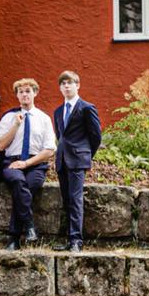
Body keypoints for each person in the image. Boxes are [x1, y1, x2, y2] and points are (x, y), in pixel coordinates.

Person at [0, 78, 56, 249]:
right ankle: (29, 227)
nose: (24, 94)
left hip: (35, 163)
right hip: (11, 162)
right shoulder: (9, 117)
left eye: (28, 91)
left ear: (35, 93)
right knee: (18, 182)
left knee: (26, 187)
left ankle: (14, 238)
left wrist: (27, 163)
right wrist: (15, 125)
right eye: (21, 92)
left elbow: (50, 150)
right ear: (17, 96)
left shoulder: (43, 119)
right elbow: (0, 145)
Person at [48, 70, 103, 251]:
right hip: (63, 160)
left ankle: (76, 241)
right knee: (67, 200)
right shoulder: (57, 111)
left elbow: (96, 136)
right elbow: (60, 136)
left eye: (69, 83)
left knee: (76, 199)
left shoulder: (87, 108)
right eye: (63, 84)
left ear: (77, 85)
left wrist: (85, 154)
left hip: (78, 160)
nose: (66, 86)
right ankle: (68, 239)